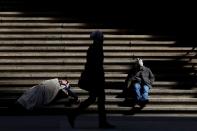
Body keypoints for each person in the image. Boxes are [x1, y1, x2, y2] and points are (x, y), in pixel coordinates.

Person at [68, 30, 114, 129]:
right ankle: (101, 122)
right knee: (99, 99)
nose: (103, 39)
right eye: (102, 37)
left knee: (94, 99)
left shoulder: (95, 48)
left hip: (96, 78)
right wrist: (100, 80)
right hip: (96, 79)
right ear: (97, 39)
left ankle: (74, 115)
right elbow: (96, 66)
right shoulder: (95, 48)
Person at [15, 78, 79, 110]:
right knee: (28, 95)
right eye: (65, 80)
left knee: (30, 98)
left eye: (66, 81)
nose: (64, 80)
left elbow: (68, 91)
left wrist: (76, 97)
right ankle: (19, 104)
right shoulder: (56, 80)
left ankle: (19, 105)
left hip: (42, 91)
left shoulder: (61, 85)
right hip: (39, 88)